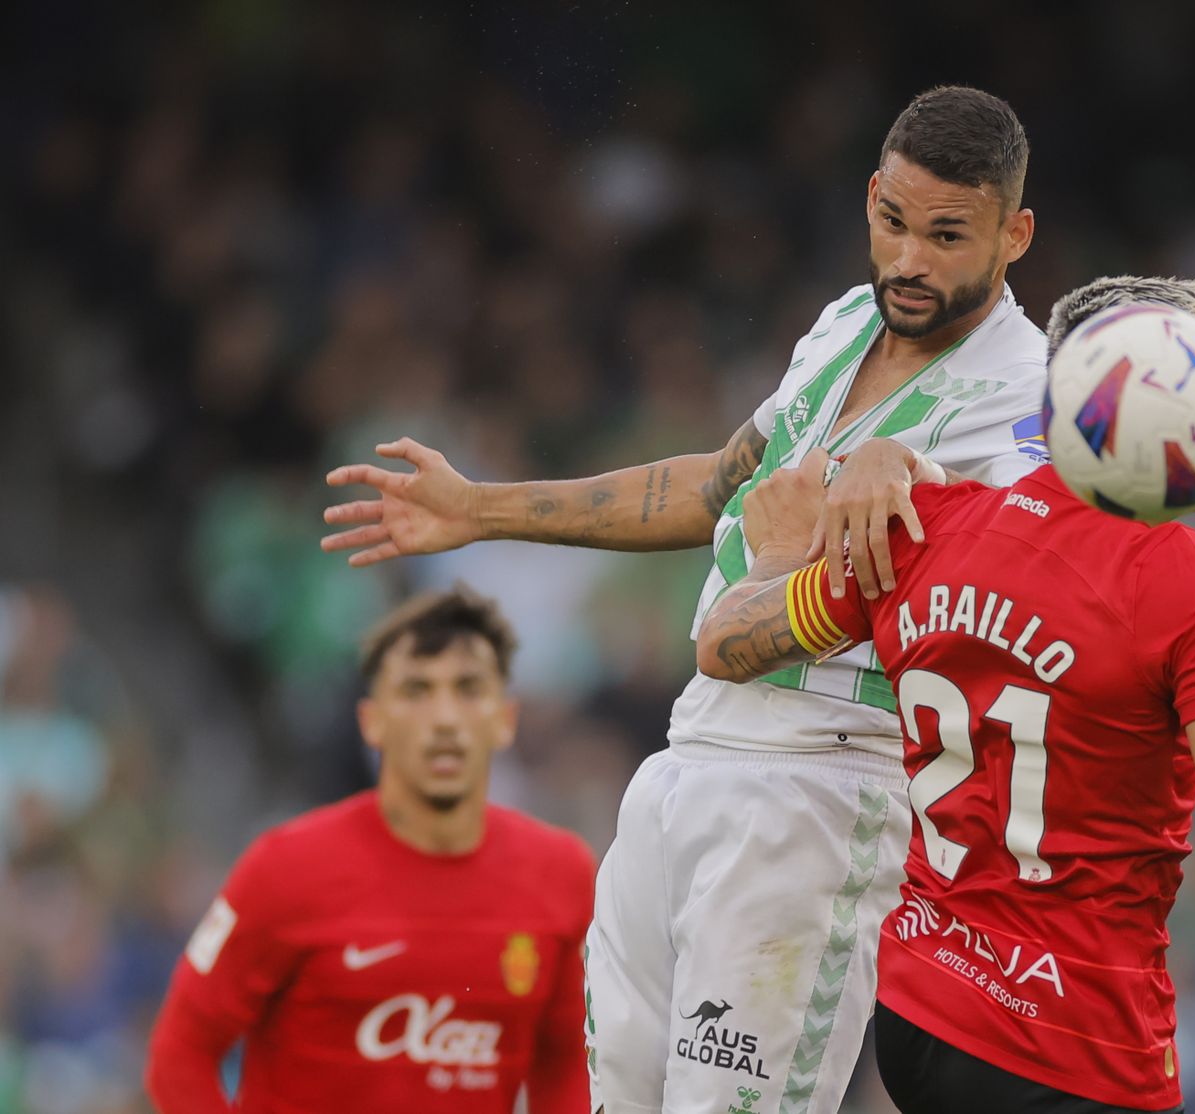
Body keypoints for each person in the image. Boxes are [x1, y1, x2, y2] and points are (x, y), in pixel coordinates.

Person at [322, 86, 1048, 1113]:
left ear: (1014, 233)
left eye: (947, 235)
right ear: (870, 198)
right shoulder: (844, 324)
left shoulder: (1028, 392)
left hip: (826, 781)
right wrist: (480, 508)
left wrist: (905, 482)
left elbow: (1010, 569)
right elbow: (719, 487)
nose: (909, 261)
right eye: (893, 221)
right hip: (690, 755)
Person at [694, 276, 1195, 1114]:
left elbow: (724, 643)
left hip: (919, 1013)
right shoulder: (1178, 576)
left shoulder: (927, 524)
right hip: (1072, 1050)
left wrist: (778, 554)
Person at [145, 586, 595, 1113]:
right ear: (372, 721)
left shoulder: (562, 873)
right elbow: (180, 1054)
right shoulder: (284, 868)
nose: (445, 717)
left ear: (505, 718)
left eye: (469, 688)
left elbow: (567, 1066)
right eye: (417, 690)